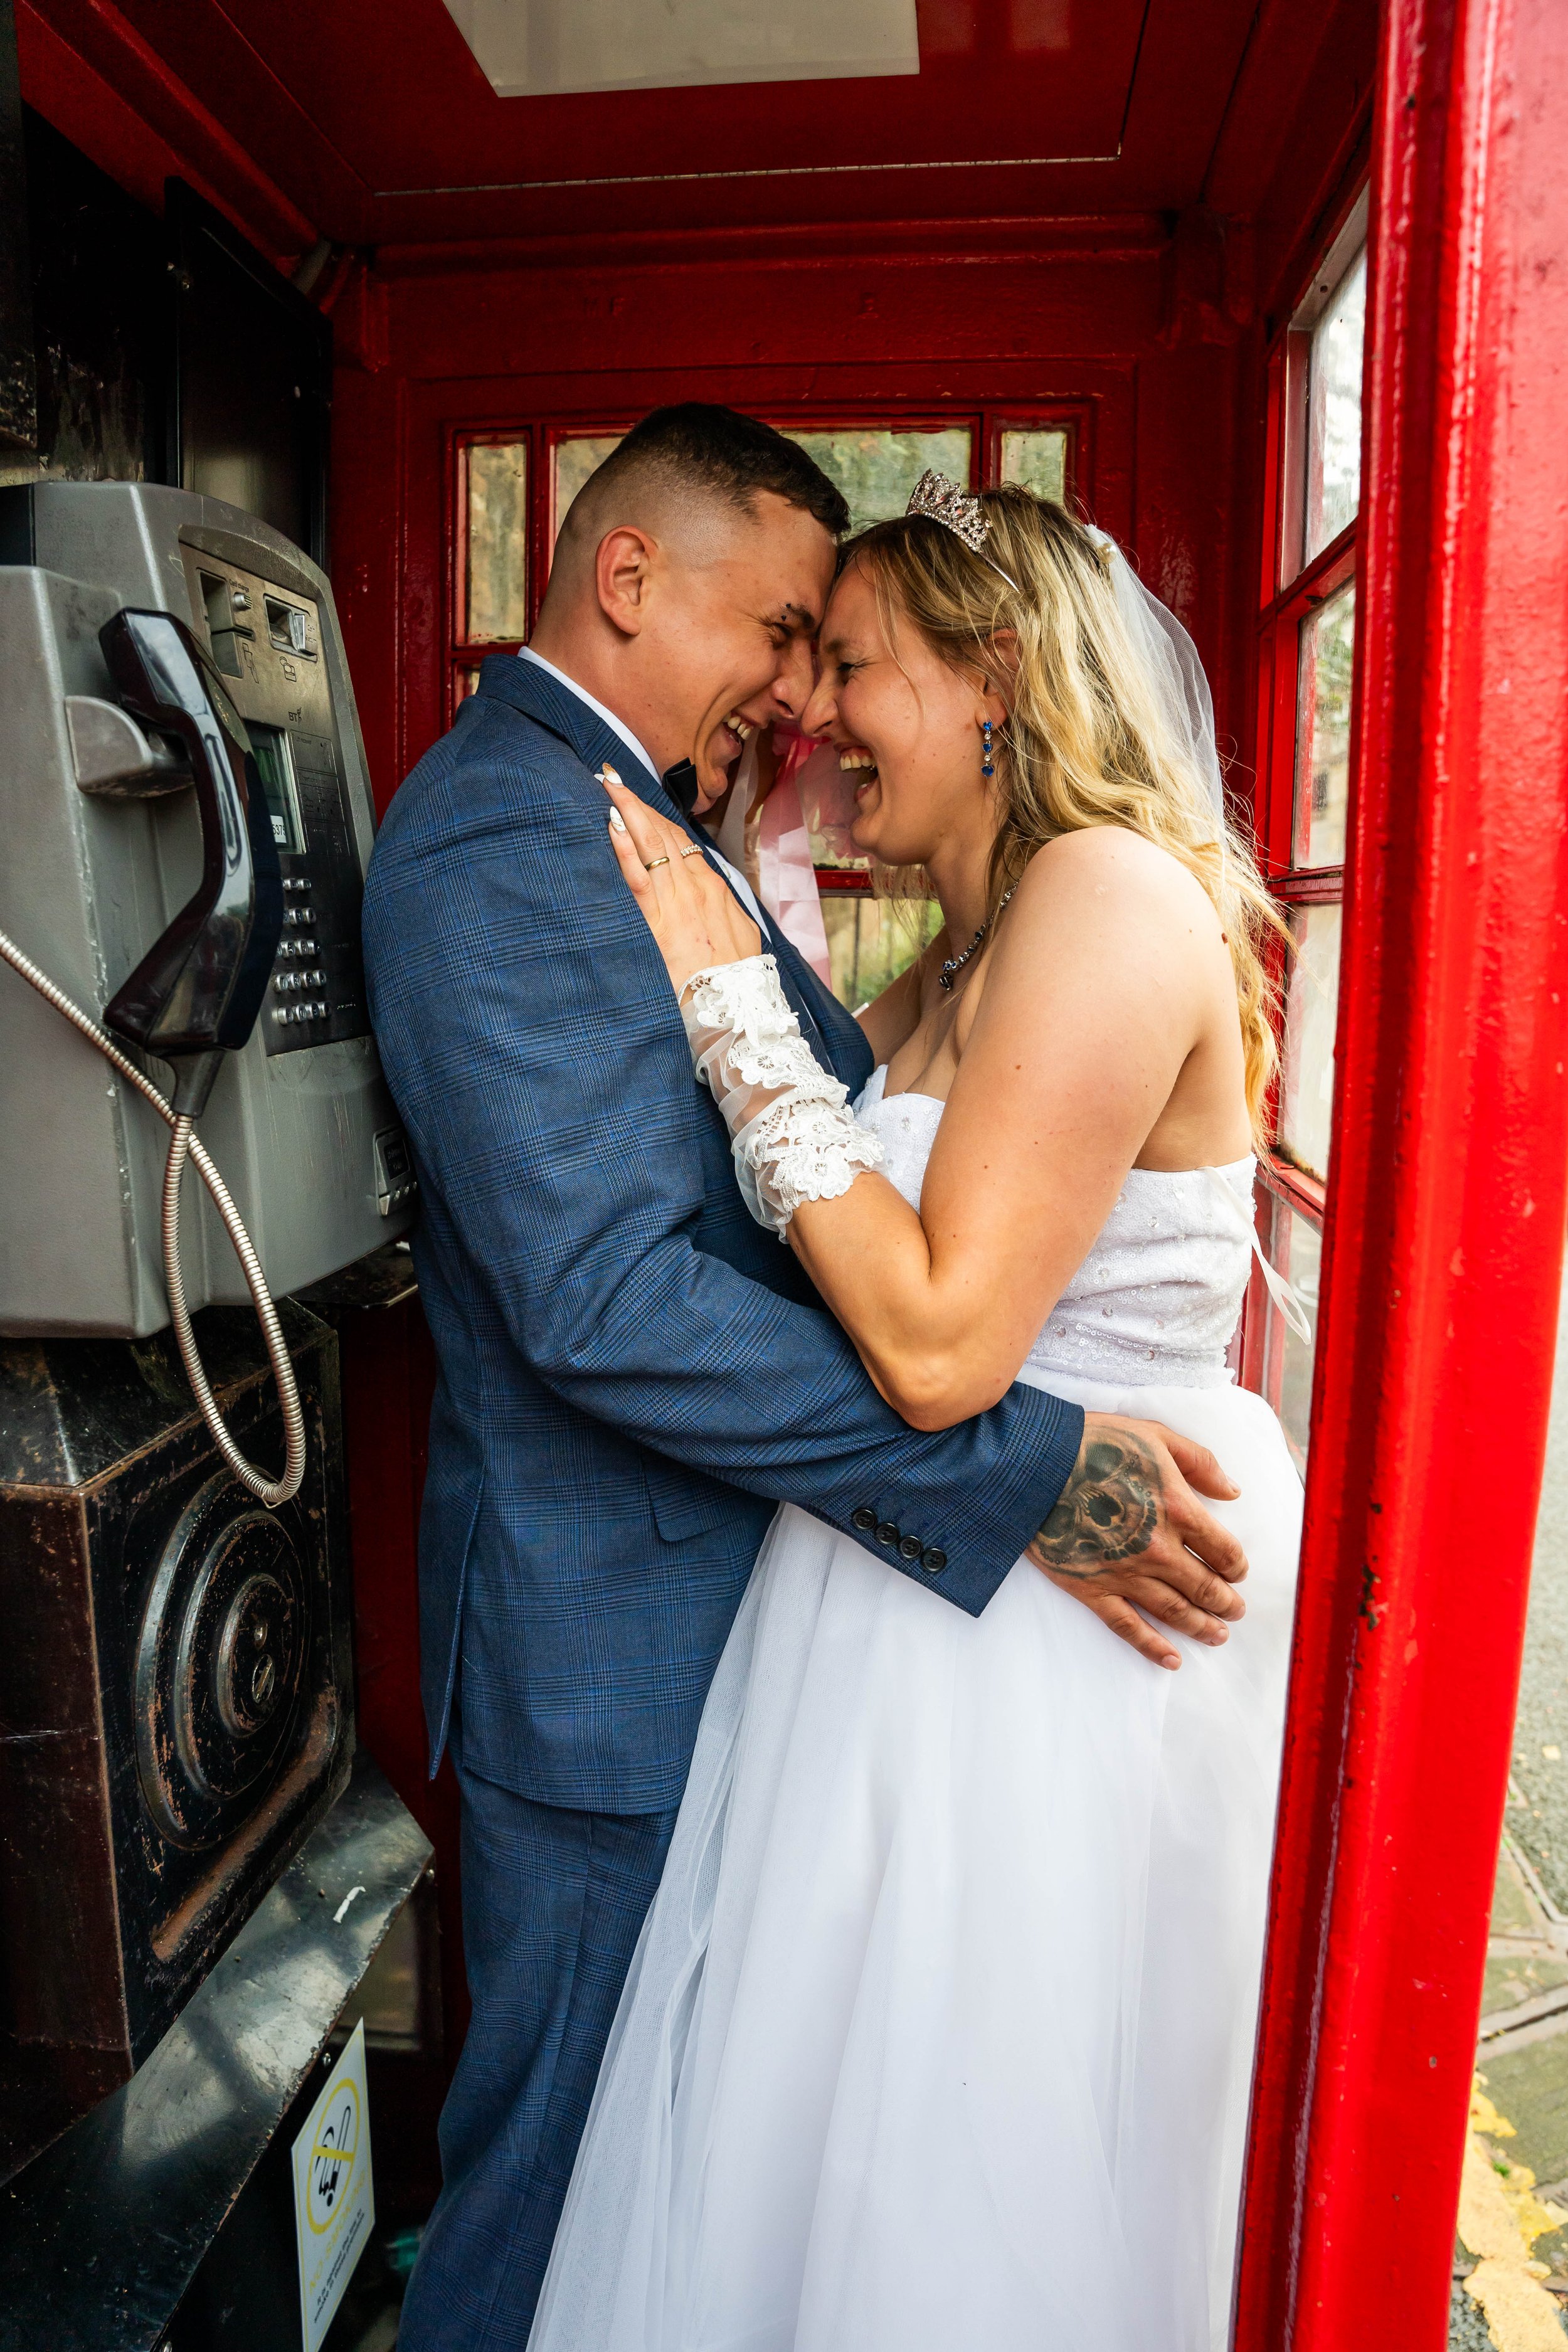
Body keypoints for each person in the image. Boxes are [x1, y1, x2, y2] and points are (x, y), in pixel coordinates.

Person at [363, 409, 1251, 2349]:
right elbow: (600, 1294)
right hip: (623, 1650)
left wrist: (746, 965)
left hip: (827, 1641)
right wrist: (1013, 1479)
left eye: (839, 658)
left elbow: (844, 1193)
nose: (800, 696)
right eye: (786, 634)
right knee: (560, 2205)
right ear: (623, 579)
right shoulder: (507, 837)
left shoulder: (729, 844)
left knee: (789, 2195)